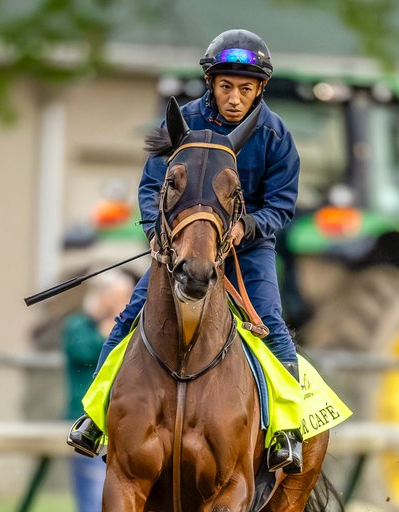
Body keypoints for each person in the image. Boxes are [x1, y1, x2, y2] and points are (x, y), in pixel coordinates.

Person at [68, 29, 305, 474]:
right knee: (130, 315)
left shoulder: (276, 136)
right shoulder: (181, 124)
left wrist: (247, 226)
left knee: (271, 323)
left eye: (246, 89)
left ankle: (286, 433)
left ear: (261, 89)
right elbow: (151, 188)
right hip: (180, 245)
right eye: (227, 87)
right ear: (211, 83)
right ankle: (94, 418)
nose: (235, 98)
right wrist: (154, 234)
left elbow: (281, 205)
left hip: (246, 249)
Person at [62, 270, 135, 512]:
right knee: (92, 507)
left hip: (123, 427)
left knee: (120, 508)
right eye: (122, 296)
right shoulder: (78, 326)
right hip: (88, 423)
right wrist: (111, 329)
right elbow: (87, 352)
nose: (128, 303)